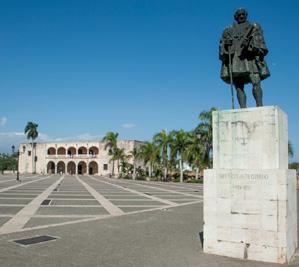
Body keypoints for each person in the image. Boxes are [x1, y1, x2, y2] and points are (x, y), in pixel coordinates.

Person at [219, 8, 270, 108]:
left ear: (246, 15)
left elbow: (261, 43)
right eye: (239, 15)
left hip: (250, 58)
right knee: (238, 86)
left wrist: (251, 44)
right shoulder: (228, 30)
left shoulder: (254, 27)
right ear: (235, 17)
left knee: (256, 82)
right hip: (235, 61)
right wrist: (226, 45)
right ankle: (242, 108)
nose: (241, 16)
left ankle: (259, 106)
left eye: (243, 14)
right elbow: (222, 47)